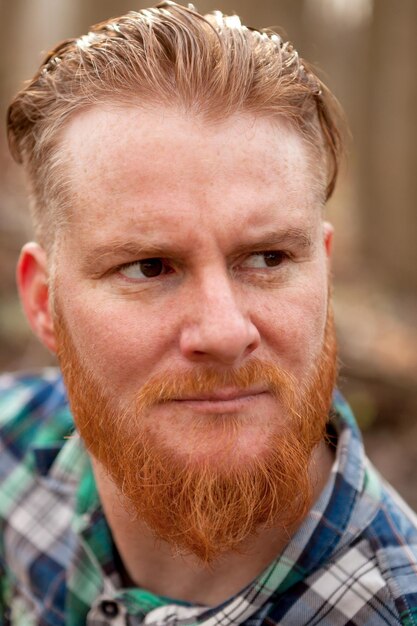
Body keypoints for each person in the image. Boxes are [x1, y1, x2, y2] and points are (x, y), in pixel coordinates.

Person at [1, 2, 417, 624]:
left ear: (325, 272)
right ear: (43, 303)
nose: (224, 332)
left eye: (269, 258)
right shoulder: (11, 459)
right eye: (149, 267)